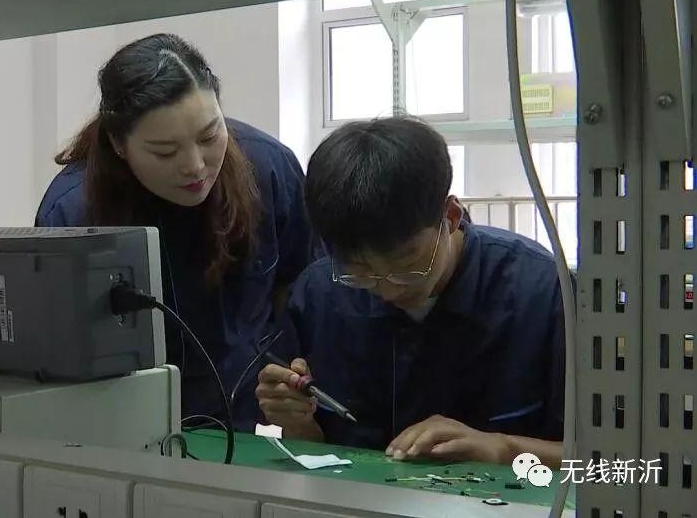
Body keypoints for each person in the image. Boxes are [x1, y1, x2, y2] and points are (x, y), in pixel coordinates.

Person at [36, 33, 321, 430]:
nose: (195, 166)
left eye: (209, 136)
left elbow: (306, 289)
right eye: (165, 152)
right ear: (119, 144)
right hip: (126, 423)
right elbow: (61, 357)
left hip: (246, 419)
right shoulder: (73, 211)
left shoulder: (268, 167)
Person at [256, 116, 566, 468]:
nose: (388, 291)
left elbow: (604, 461)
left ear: (450, 216)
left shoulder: (540, 292)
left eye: (406, 265)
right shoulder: (320, 294)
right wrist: (297, 420)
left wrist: (502, 448)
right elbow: (317, 453)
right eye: (361, 272)